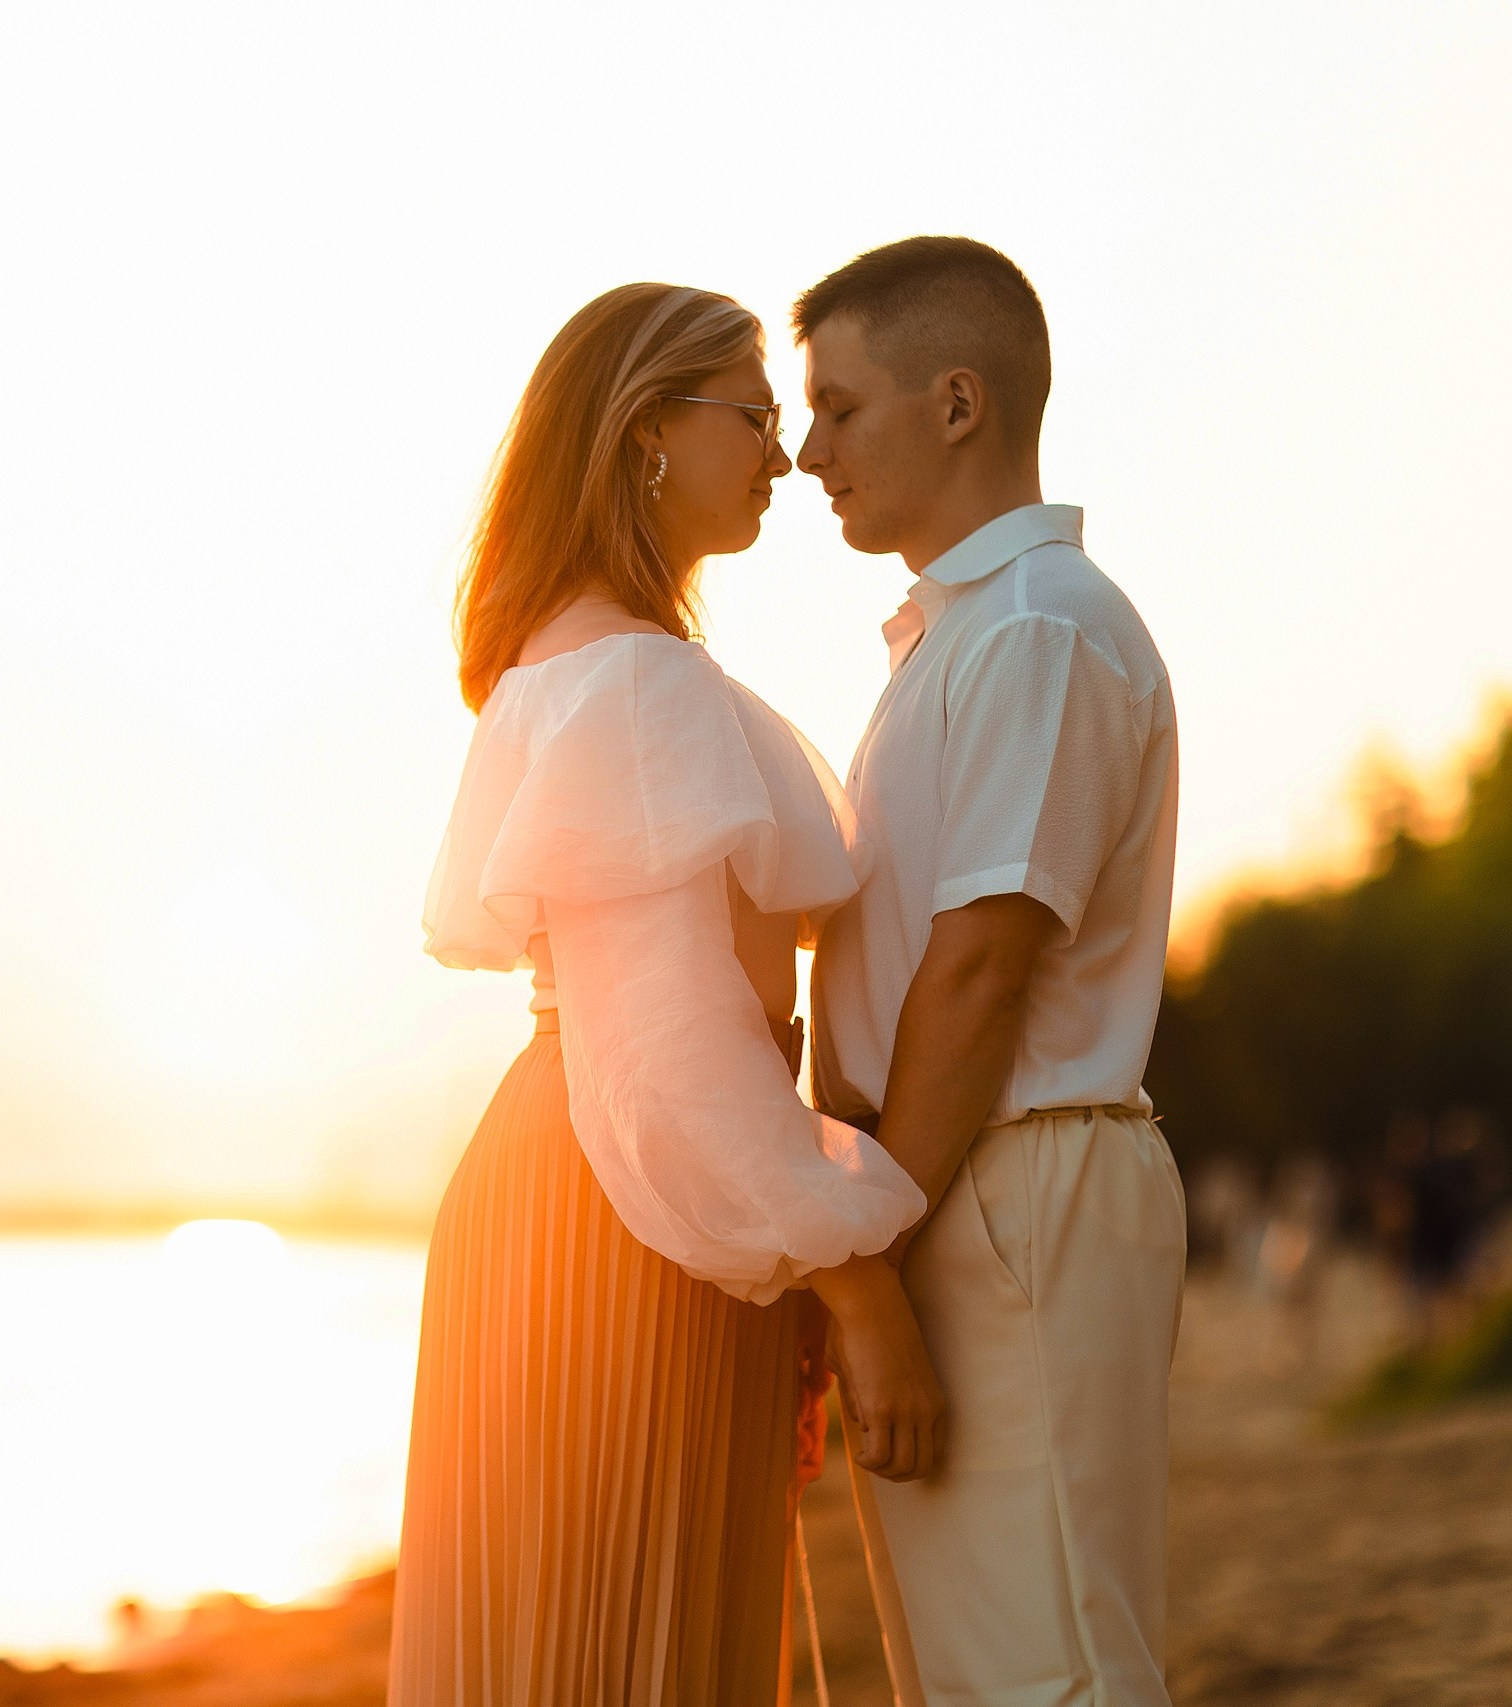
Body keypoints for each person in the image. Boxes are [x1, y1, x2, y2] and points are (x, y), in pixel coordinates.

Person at [394, 282, 941, 1704]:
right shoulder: (634, 683)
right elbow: (675, 1055)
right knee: (630, 1653)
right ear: (648, 435)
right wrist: (859, 1286)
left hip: (599, 1187)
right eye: (756, 418)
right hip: (633, 1204)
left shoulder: (582, 660)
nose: (783, 455)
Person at [797, 237, 1188, 1707]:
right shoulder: (964, 635)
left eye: (840, 408)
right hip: (958, 1180)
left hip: (1007, 1185)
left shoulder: (1034, 631)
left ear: (956, 403)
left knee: (1050, 1672)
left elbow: (979, 979)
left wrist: (864, 1255)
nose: (809, 455)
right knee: (976, 1668)